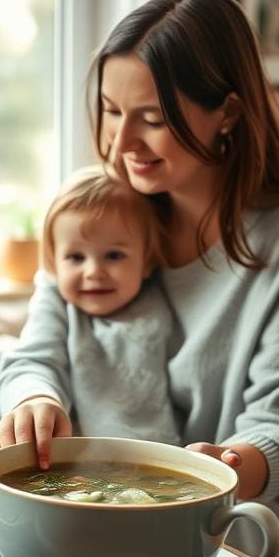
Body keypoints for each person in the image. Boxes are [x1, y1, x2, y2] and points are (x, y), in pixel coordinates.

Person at [0, 0, 279, 557]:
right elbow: (35, 352)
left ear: (230, 114)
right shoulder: (101, 216)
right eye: (111, 110)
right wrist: (32, 399)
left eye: (153, 119)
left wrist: (218, 472)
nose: (121, 144)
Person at [36, 166, 179, 443]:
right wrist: (36, 396)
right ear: (55, 261)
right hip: (76, 466)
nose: (93, 272)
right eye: (76, 257)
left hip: (160, 460)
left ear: (147, 261)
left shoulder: (164, 304)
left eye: (114, 255)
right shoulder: (58, 305)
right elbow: (34, 359)